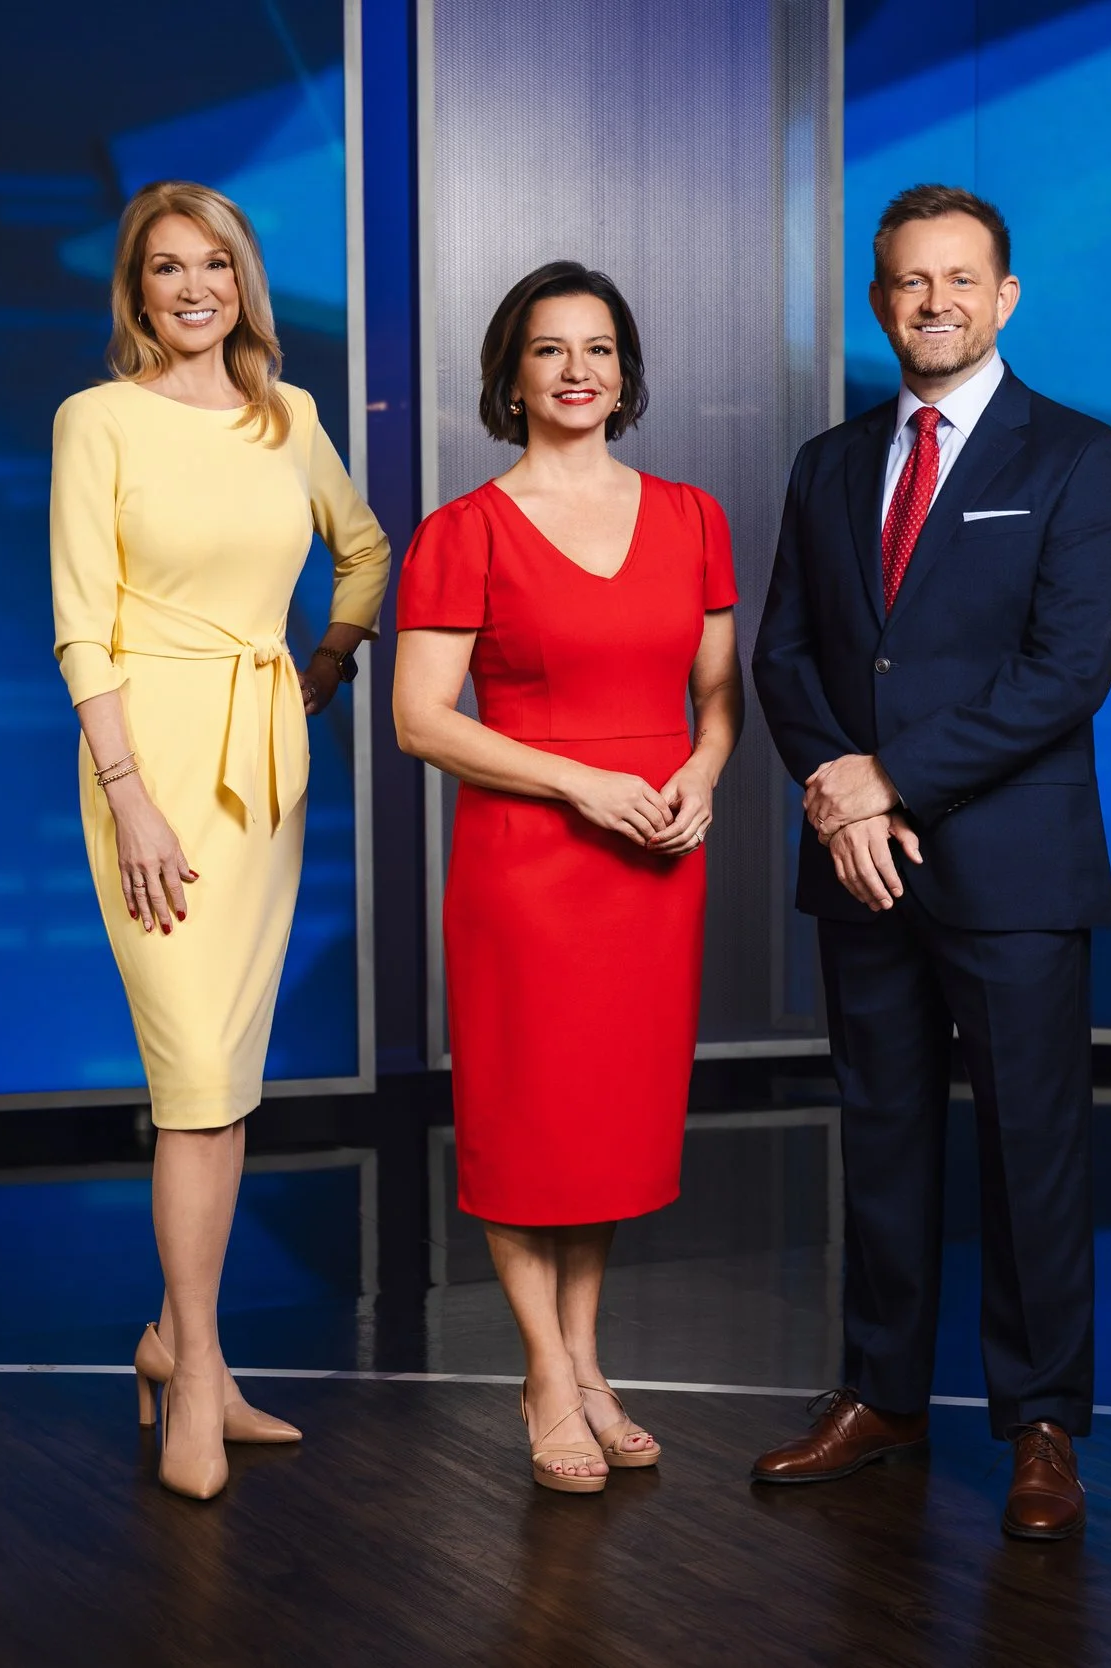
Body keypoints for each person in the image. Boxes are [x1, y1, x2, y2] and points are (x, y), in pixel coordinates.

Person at [750, 184, 1111, 1540]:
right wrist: (844, 805)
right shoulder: (829, 462)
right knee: (885, 1138)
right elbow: (783, 655)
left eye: (960, 280)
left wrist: (890, 777)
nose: (935, 303)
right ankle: (881, 1395)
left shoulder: (1077, 459)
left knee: (1034, 1153)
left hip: (1013, 871)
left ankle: (1041, 1427)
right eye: (910, 282)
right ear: (879, 301)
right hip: (865, 869)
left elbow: (1066, 674)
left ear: (1006, 296)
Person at [50, 180, 391, 1500]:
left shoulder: (289, 417)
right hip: (147, 764)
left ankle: (182, 1344)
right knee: (193, 1074)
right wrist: (129, 790)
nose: (193, 286)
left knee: (226, 1081)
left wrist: (327, 664)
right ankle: (193, 1368)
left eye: (215, 265)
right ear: (136, 292)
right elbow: (83, 619)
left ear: (243, 283)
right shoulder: (99, 421)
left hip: (264, 765)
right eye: (164, 268)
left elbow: (362, 555)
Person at [392, 261, 742, 1494]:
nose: (578, 370)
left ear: (625, 371)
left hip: (654, 856)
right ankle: (545, 1372)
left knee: (602, 1123)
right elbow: (421, 720)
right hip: (530, 862)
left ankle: (588, 1363)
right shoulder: (463, 530)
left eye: (598, 348)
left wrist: (702, 772)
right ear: (512, 375)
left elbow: (715, 698)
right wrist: (576, 783)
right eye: (550, 350)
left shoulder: (696, 516)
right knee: (525, 1120)